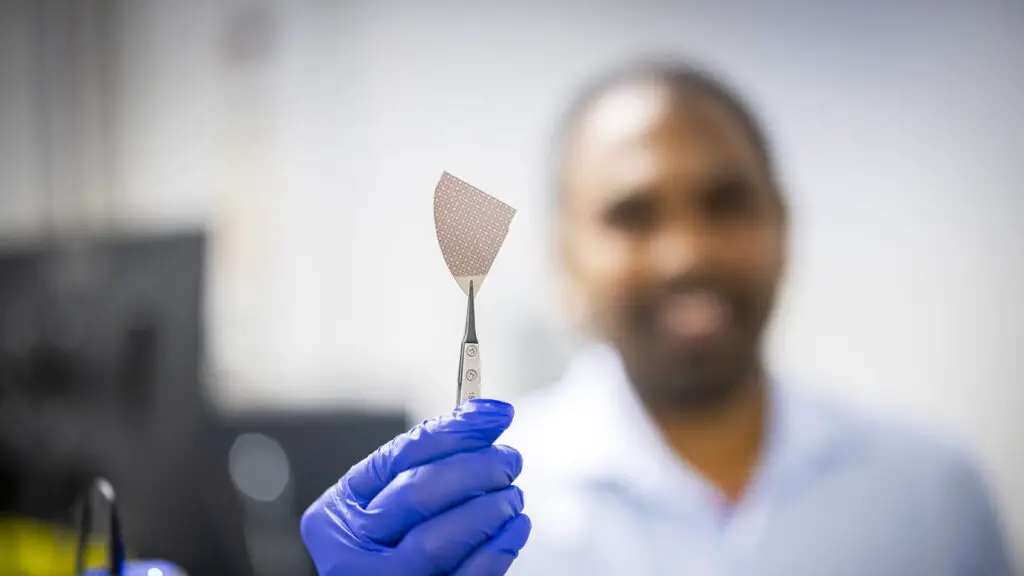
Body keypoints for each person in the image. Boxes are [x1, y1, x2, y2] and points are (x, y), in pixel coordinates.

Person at [300, 59, 1014, 575]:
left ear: (784, 225)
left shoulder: (933, 492)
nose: (685, 255)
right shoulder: (474, 508)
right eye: (632, 215)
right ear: (564, 258)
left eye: (726, 202)